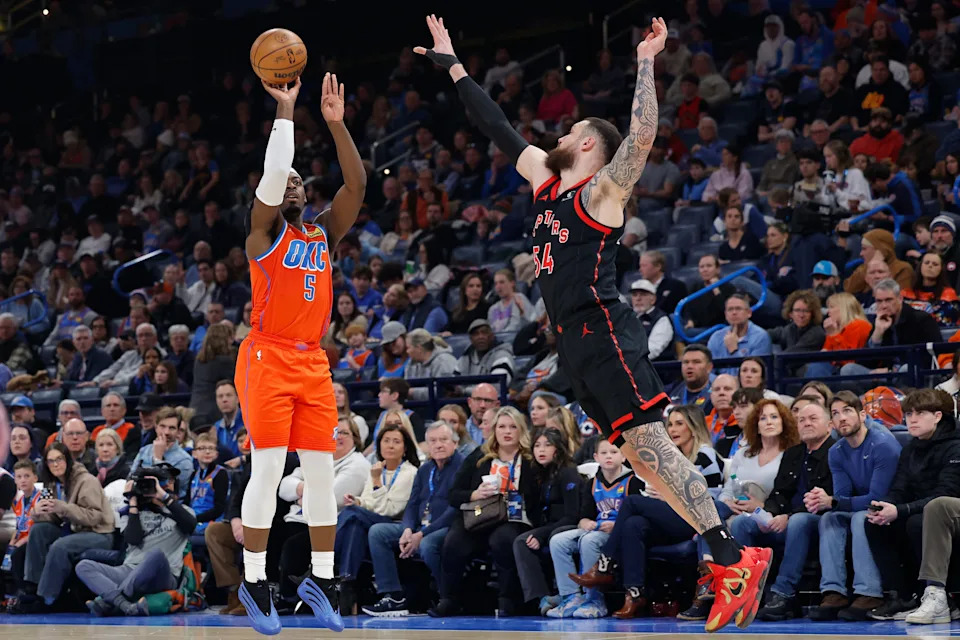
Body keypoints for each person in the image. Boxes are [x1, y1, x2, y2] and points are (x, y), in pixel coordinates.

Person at [418, 14, 769, 632]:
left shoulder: (602, 192)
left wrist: (644, 62)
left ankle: (733, 558)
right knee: (641, 459)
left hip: (605, 329)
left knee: (655, 447)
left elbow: (640, 134)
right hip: (573, 341)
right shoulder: (546, 180)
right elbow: (493, 124)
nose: (558, 132)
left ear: (587, 145)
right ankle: (735, 557)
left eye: (571, 129)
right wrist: (454, 66)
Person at [233, 71, 365, 633]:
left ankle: (322, 580)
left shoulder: (320, 235)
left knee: (319, 474)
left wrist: (336, 125)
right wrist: (286, 111)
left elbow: (356, 187)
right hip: (266, 357)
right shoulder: (263, 236)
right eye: (282, 180)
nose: (292, 185)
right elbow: (273, 171)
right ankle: (255, 581)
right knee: (267, 470)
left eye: (298, 182)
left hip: (312, 361)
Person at [569, 406, 721, 619]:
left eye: (680, 423)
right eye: (670, 424)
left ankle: (606, 563)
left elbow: (712, 498)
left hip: (696, 520)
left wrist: (670, 495)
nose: (673, 429)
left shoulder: (705, 455)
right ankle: (634, 594)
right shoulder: (667, 457)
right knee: (634, 524)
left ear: (694, 428)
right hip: (669, 518)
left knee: (631, 503)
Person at [863, 388, 960, 621]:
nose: (911, 419)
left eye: (919, 413)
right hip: (920, 510)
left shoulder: (955, 446)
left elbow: (945, 495)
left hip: (948, 516)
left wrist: (901, 510)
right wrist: (885, 506)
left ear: (938, 416)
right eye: (908, 414)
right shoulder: (910, 448)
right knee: (876, 523)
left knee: (918, 521)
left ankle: (944, 597)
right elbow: (899, 489)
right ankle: (902, 597)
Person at [807, 391, 902, 622]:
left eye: (847, 411)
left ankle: (869, 593)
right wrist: (825, 500)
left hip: (893, 508)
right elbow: (841, 496)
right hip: (861, 505)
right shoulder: (836, 452)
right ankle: (834, 592)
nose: (841, 418)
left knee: (861, 517)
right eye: (836, 413)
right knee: (829, 518)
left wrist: (835, 501)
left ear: (862, 414)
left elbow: (877, 497)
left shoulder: (882, 444)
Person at [738, 401, 836, 621]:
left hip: (818, 518)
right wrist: (769, 513)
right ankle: (747, 592)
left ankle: (784, 593)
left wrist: (787, 517)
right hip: (784, 517)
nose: (806, 423)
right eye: (801, 420)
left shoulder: (835, 452)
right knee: (741, 523)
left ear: (829, 425)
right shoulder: (793, 453)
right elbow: (779, 493)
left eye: (813, 419)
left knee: (799, 521)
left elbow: (827, 496)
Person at [362, 421, 464, 617]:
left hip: (447, 526)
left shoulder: (462, 467)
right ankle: (392, 595)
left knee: (426, 545)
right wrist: (408, 529)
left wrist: (420, 534)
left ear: (455, 443)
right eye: (433, 441)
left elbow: (454, 510)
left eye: (443, 440)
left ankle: (447, 596)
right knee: (378, 532)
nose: (438, 445)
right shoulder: (425, 469)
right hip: (418, 527)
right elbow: (413, 504)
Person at [76, 464, 196, 616]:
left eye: (167, 481)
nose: (165, 485)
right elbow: (133, 539)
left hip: (163, 574)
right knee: (83, 565)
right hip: (130, 570)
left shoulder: (184, 511)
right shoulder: (131, 512)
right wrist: (132, 502)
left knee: (155, 555)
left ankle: (110, 601)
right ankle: (125, 605)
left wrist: (164, 498)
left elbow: (190, 526)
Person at [11, 442, 114, 613]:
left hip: (99, 534)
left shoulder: (87, 480)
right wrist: (36, 512)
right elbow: (50, 518)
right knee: (39, 530)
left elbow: (95, 517)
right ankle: (32, 588)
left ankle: (46, 598)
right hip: (74, 530)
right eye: (51, 461)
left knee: (60, 545)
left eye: (59, 459)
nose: (55, 464)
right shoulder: (50, 483)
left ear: (67, 460)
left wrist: (64, 508)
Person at [334, 423, 419, 612]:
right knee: (354, 523)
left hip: (399, 525)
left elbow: (391, 509)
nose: (390, 445)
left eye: (396, 442)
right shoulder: (377, 469)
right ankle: (348, 583)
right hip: (374, 520)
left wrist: (376, 482)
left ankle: (325, 569)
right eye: (386, 441)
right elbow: (369, 502)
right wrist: (357, 501)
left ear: (405, 449)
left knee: (352, 515)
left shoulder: (410, 473)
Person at [512, 427, 582, 613]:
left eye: (547, 445)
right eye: (537, 446)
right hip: (550, 527)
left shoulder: (568, 472)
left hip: (571, 526)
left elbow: (573, 515)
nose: (541, 450)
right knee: (521, 541)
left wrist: (542, 534)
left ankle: (569, 593)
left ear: (557, 449)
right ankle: (541, 597)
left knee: (556, 537)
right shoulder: (541, 474)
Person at [707, 293, 773, 371]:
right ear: (725, 315)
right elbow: (708, 372)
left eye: (738, 309)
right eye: (730, 309)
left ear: (749, 313)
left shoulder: (761, 337)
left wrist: (734, 351)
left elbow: (752, 375)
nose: (734, 313)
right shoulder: (716, 337)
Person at [902, 251, 960, 326]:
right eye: (926, 263)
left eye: (935, 264)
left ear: (941, 269)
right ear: (920, 266)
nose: (930, 266)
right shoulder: (905, 294)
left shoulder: (949, 297)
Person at [767, 290, 826, 354]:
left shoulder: (816, 333)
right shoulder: (790, 329)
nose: (801, 315)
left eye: (806, 311)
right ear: (790, 313)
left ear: (813, 314)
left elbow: (791, 356)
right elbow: (767, 334)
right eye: (797, 310)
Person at [667, 344, 715, 413]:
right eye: (686, 362)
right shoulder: (671, 391)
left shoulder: (716, 395)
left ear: (709, 367)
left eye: (696, 362)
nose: (689, 366)